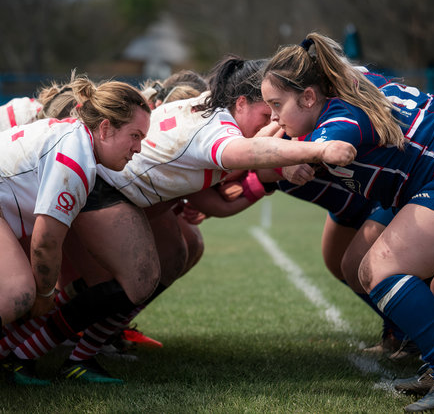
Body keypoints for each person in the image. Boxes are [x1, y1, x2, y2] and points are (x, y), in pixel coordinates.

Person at [0, 56, 356, 385]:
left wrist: (272, 170)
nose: (277, 121)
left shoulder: (211, 115)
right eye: (269, 112)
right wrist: (317, 149)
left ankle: (71, 352)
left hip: (115, 189)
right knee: (136, 278)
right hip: (106, 187)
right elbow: (247, 152)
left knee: (172, 257)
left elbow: (220, 194)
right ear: (242, 103)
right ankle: (26, 352)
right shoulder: (218, 130)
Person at [261, 32, 434, 412]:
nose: (273, 117)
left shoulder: (342, 116)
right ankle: (430, 357)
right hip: (429, 173)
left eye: (277, 105)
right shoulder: (344, 81)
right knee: (422, 285)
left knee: (378, 269)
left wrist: (302, 151)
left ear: (310, 97)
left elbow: (337, 146)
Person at [0, 73, 150, 362]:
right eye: (135, 136)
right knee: (17, 293)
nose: (139, 148)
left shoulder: (76, 138)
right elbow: (45, 243)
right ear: (105, 128)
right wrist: (45, 296)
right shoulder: (75, 160)